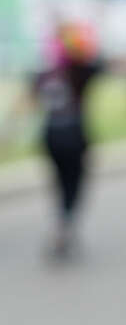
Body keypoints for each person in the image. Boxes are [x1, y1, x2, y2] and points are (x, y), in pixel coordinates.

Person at [31, 20, 104, 260]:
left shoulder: (44, 73)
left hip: (51, 135)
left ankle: (62, 224)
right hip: (73, 135)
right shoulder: (79, 71)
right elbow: (99, 65)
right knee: (74, 185)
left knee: (61, 184)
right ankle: (63, 225)